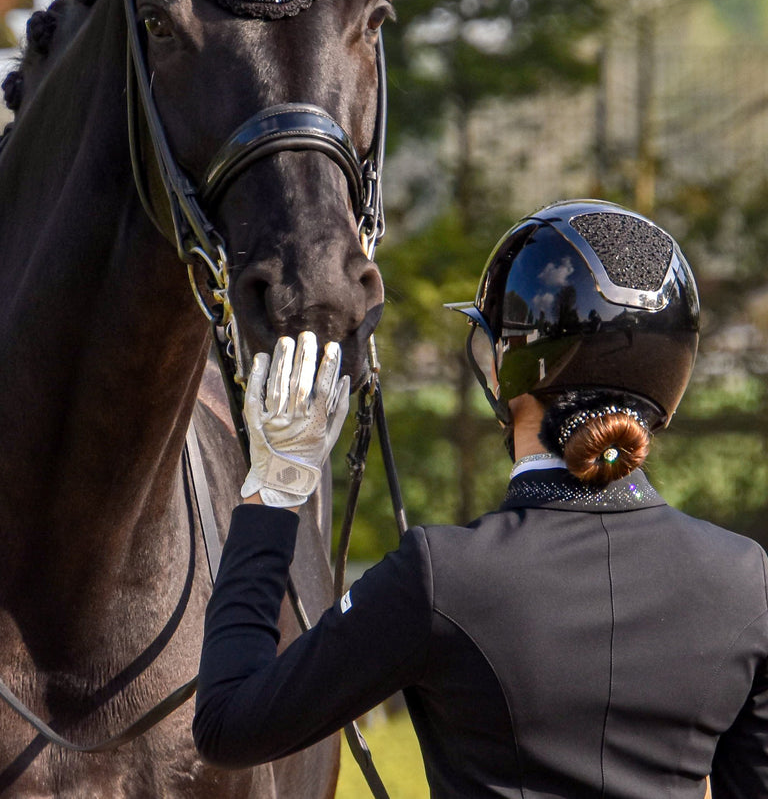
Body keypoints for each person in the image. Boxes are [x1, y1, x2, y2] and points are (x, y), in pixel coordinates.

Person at [193, 199, 768, 798]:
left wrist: (276, 489)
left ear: (501, 370)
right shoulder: (745, 579)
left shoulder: (439, 576)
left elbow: (229, 725)